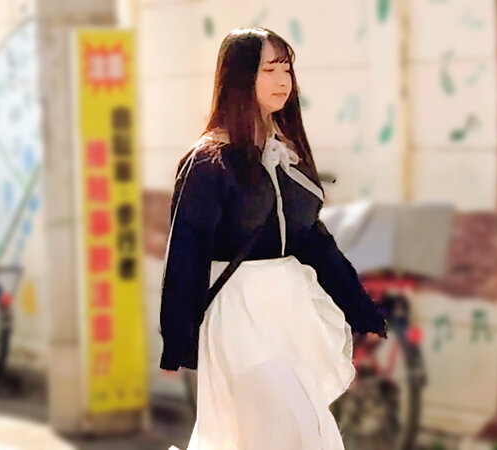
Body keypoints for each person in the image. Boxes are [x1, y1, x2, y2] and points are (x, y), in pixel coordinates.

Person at [160, 27, 388, 450]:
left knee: (295, 433)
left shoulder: (285, 153)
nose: (283, 80)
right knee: (293, 431)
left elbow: (314, 242)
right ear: (240, 76)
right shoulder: (208, 162)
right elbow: (186, 254)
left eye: (287, 69)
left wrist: (362, 311)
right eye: (269, 70)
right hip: (239, 315)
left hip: (288, 313)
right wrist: (177, 341)